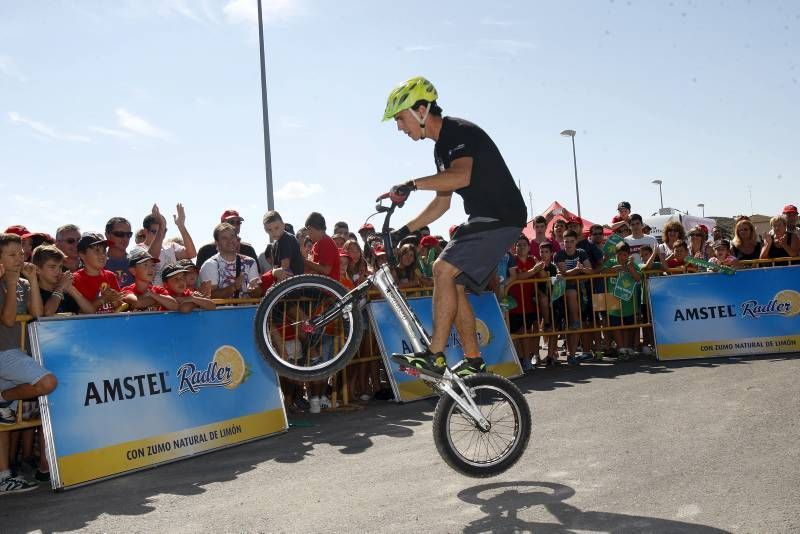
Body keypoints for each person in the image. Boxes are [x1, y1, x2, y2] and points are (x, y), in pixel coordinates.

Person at [383, 76, 526, 376]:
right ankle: (473, 360)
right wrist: (404, 230)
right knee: (454, 284)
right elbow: (442, 203)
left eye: (400, 118)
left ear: (421, 110)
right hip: (486, 218)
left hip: (499, 216)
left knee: (441, 269)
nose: (399, 127)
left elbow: (461, 177)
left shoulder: (458, 132)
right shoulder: (440, 148)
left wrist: (411, 184)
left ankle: (435, 355)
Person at [0, 234, 58, 494]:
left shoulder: (23, 281)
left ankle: (3, 477)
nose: (18, 258)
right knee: (48, 382)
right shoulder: (5, 282)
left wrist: (31, 280)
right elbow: (10, 320)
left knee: (4, 422)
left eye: (20, 253)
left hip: (19, 354)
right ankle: (3, 396)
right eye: (11, 254)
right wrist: (11, 284)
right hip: (5, 353)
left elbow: (36, 313)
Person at [555, 230, 593, 362]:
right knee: (571, 322)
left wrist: (580, 270)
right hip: (565, 293)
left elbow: (590, 271)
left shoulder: (581, 252)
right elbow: (564, 274)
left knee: (576, 324)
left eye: (572, 241)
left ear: (576, 241)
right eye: (566, 241)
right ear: (563, 242)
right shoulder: (559, 254)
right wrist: (578, 270)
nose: (569, 244)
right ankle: (571, 354)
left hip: (582, 292)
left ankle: (572, 356)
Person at [506, 235, 539, 372]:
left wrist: (541, 267)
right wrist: (533, 271)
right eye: (518, 245)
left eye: (524, 244)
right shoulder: (512, 259)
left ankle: (526, 359)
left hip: (529, 304)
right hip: (513, 305)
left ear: (529, 247)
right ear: (515, 247)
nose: (521, 247)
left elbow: (542, 275)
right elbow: (516, 276)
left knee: (525, 332)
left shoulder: (533, 260)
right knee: (515, 334)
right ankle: (518, 360)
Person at [140, 204, 197, 285]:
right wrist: (162, 228)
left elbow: (192, 254)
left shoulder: (171, 246)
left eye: (164, 230)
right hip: (152, 295)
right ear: (145, 231)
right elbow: (151, 259)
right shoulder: (137, 250)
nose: (161, 234)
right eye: (155, 231)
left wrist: (181, 226)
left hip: (171, 296)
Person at [199, 223, 259, 299]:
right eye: (224, 238)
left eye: (232, 236)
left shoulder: (250, 262)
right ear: (217, 243)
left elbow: (258, 294)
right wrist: (234, 287)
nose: (230, 240)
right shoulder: (209, 265)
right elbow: (210, 296)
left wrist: (254, 289)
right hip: (221, 311)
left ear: (237, 239)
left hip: (248, 310)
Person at [603, 241, 642, 358]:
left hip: (628, 300)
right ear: (616, 254)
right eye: (619, 254)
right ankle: (620, 348)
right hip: (612, 298)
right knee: (616, 325)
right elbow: (602, 272)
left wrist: (630, 268)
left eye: (624, 255)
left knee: (628, 324)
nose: (621, 257)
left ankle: (627, 347)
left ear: (628, 255)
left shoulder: (632, 263)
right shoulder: (611, 262)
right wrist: (614, 269)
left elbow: (638, 278)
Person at [32, 245, 94, 315]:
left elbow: (90, 312)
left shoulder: (65, 293)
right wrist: (60, 288)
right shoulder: (34, 293)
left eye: (60, 267)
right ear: (37, 269)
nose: (58, 271)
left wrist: (71, 289)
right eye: (52, 267)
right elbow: (47, 313)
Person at [71, 233, 123, 313]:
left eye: (104, 251)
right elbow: (79, 313)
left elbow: (121, 305)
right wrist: (104, 299)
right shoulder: (74, 279)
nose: (102, 255)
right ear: (82, 255)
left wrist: (116, 300)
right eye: (97, 250)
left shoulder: (110, 275)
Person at [104, 217, 135, 287]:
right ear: (107, 235)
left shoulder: (136, 263)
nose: (125, 238)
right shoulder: (98, 263)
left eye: (128, 234)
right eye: (119, 234)